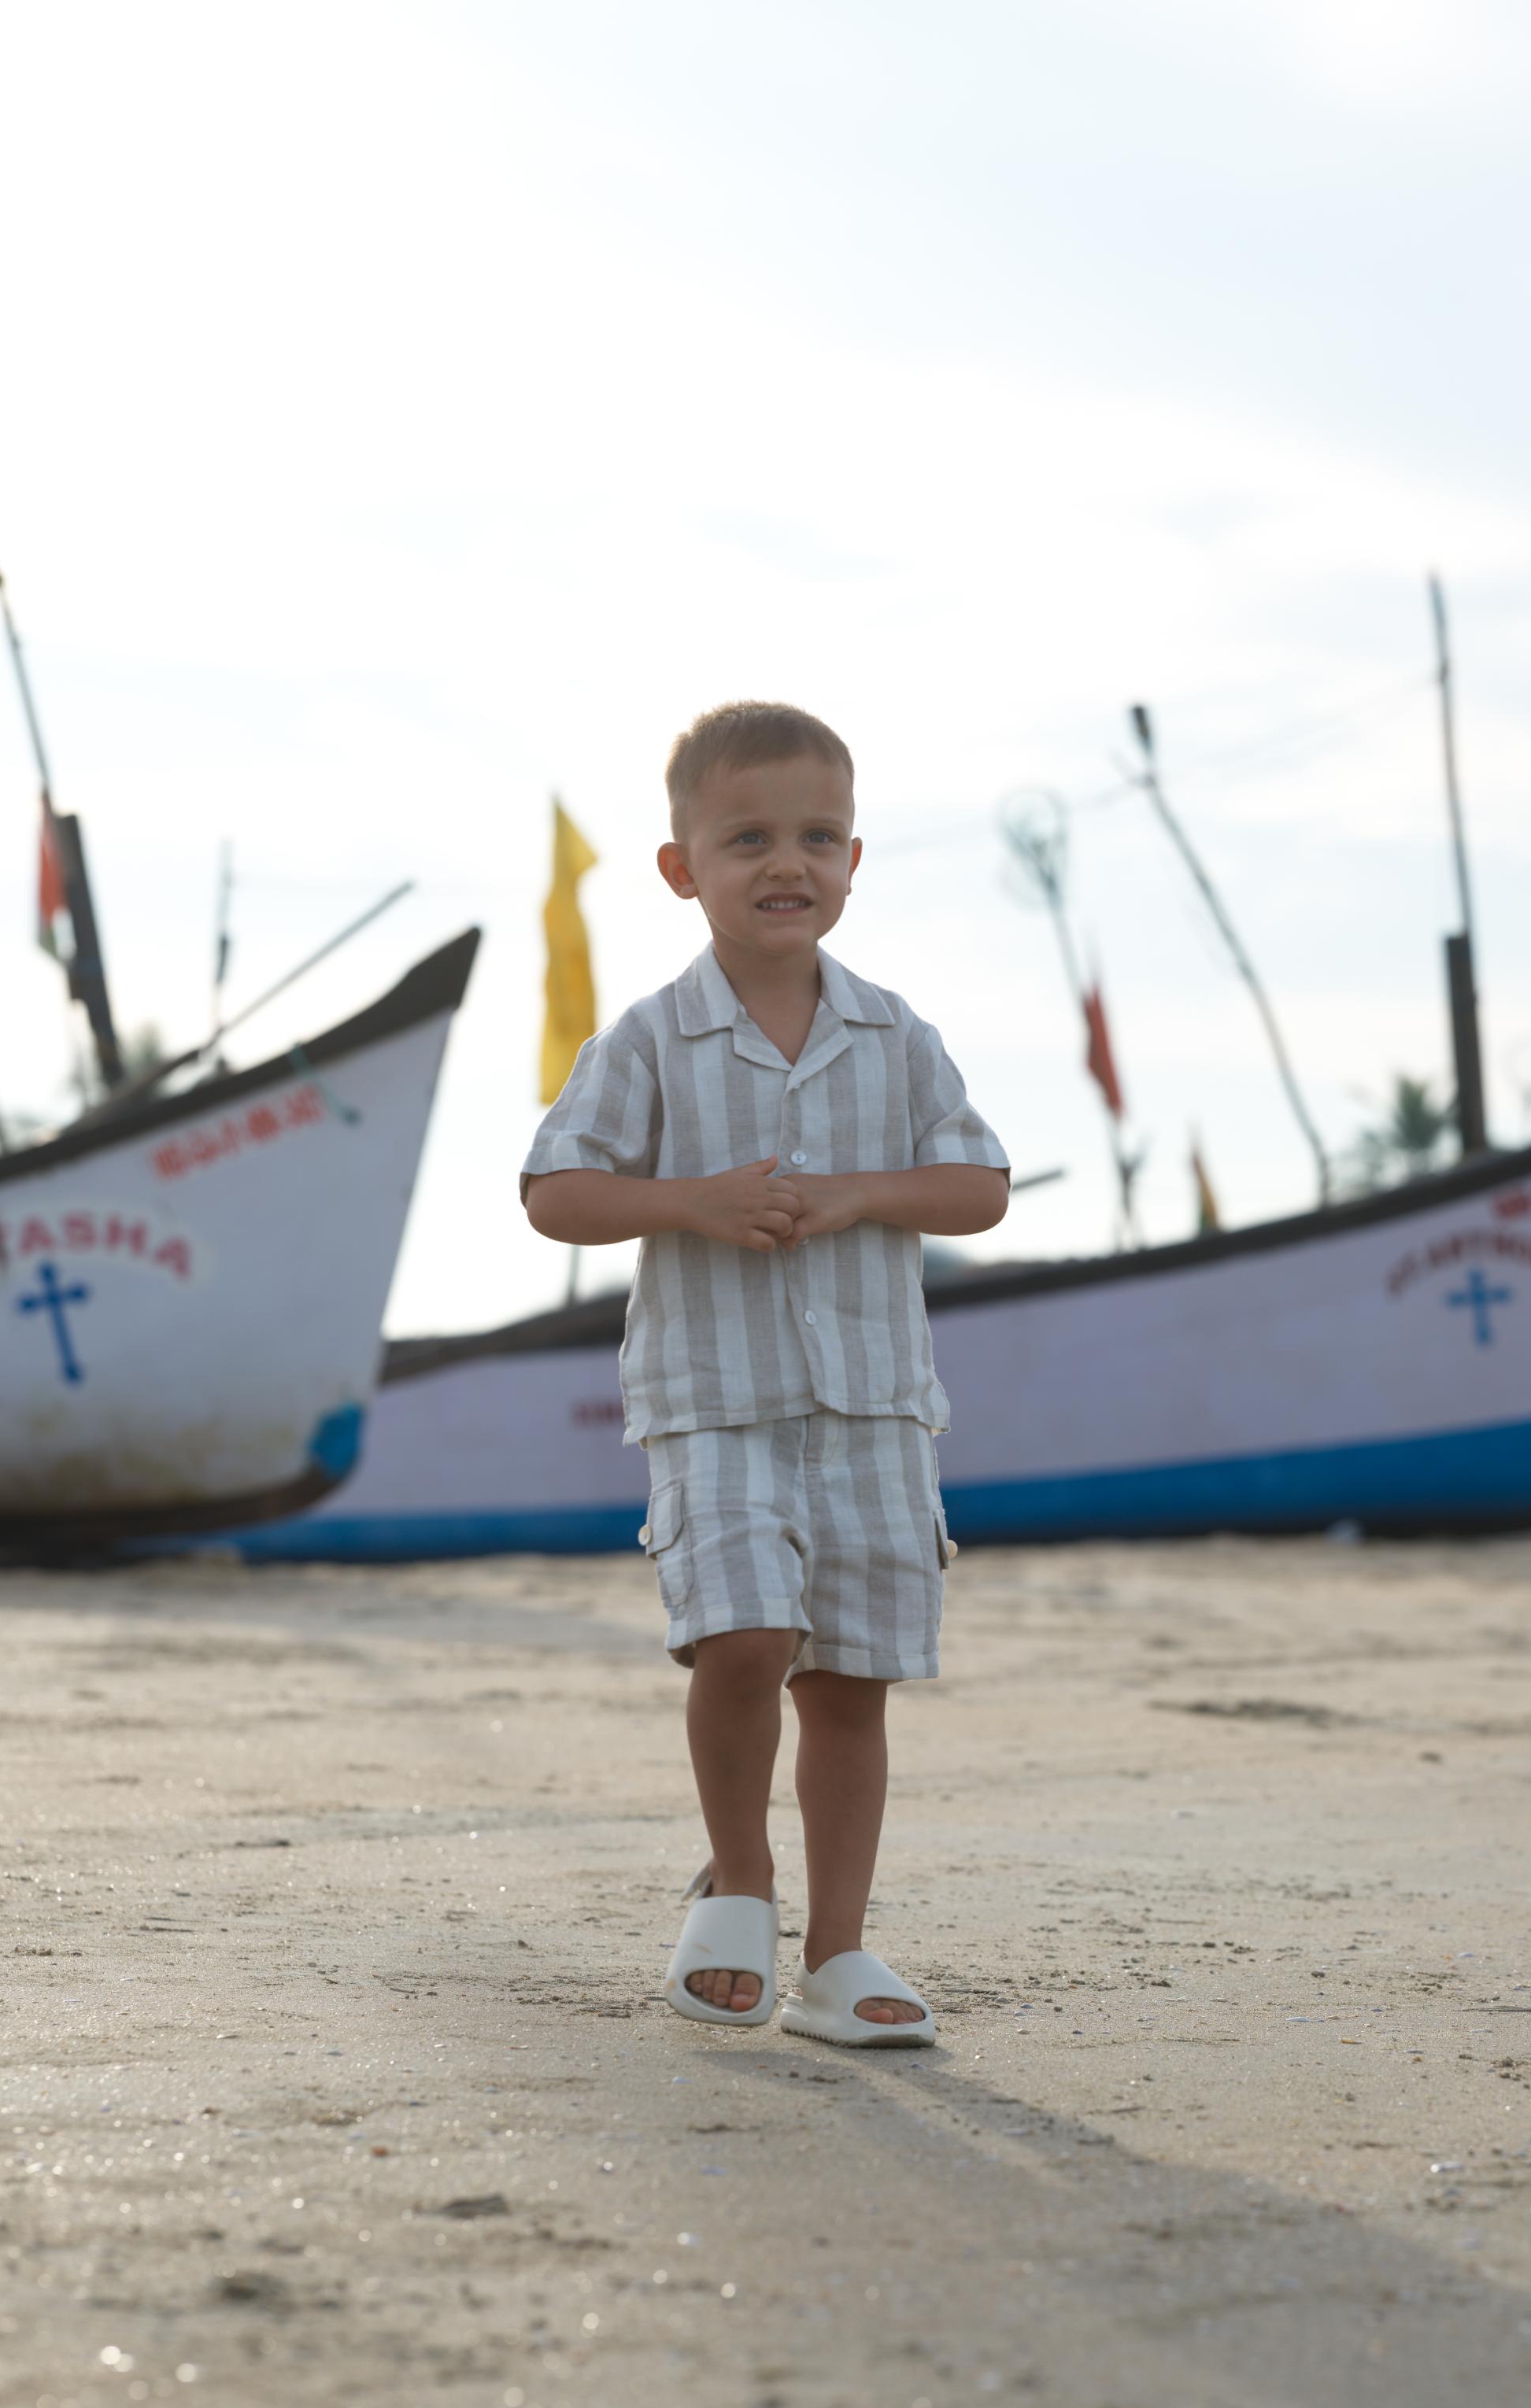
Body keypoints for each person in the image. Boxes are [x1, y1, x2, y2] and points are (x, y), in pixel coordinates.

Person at [520, 701, 1011, 2045]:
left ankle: (841, 1955)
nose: (785, 863)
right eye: (747, 838)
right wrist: (693, 1205)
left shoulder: (896, 1035)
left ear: (855, 862)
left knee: (849, 1679)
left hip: (872, 1413)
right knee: (745, 1640)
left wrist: (858, 1195)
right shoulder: (650, 1040)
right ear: (683, 869)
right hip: (716, 1407)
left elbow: (979, 1187)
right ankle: (740, 1884)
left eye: (816, 837)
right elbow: (556, 1192)